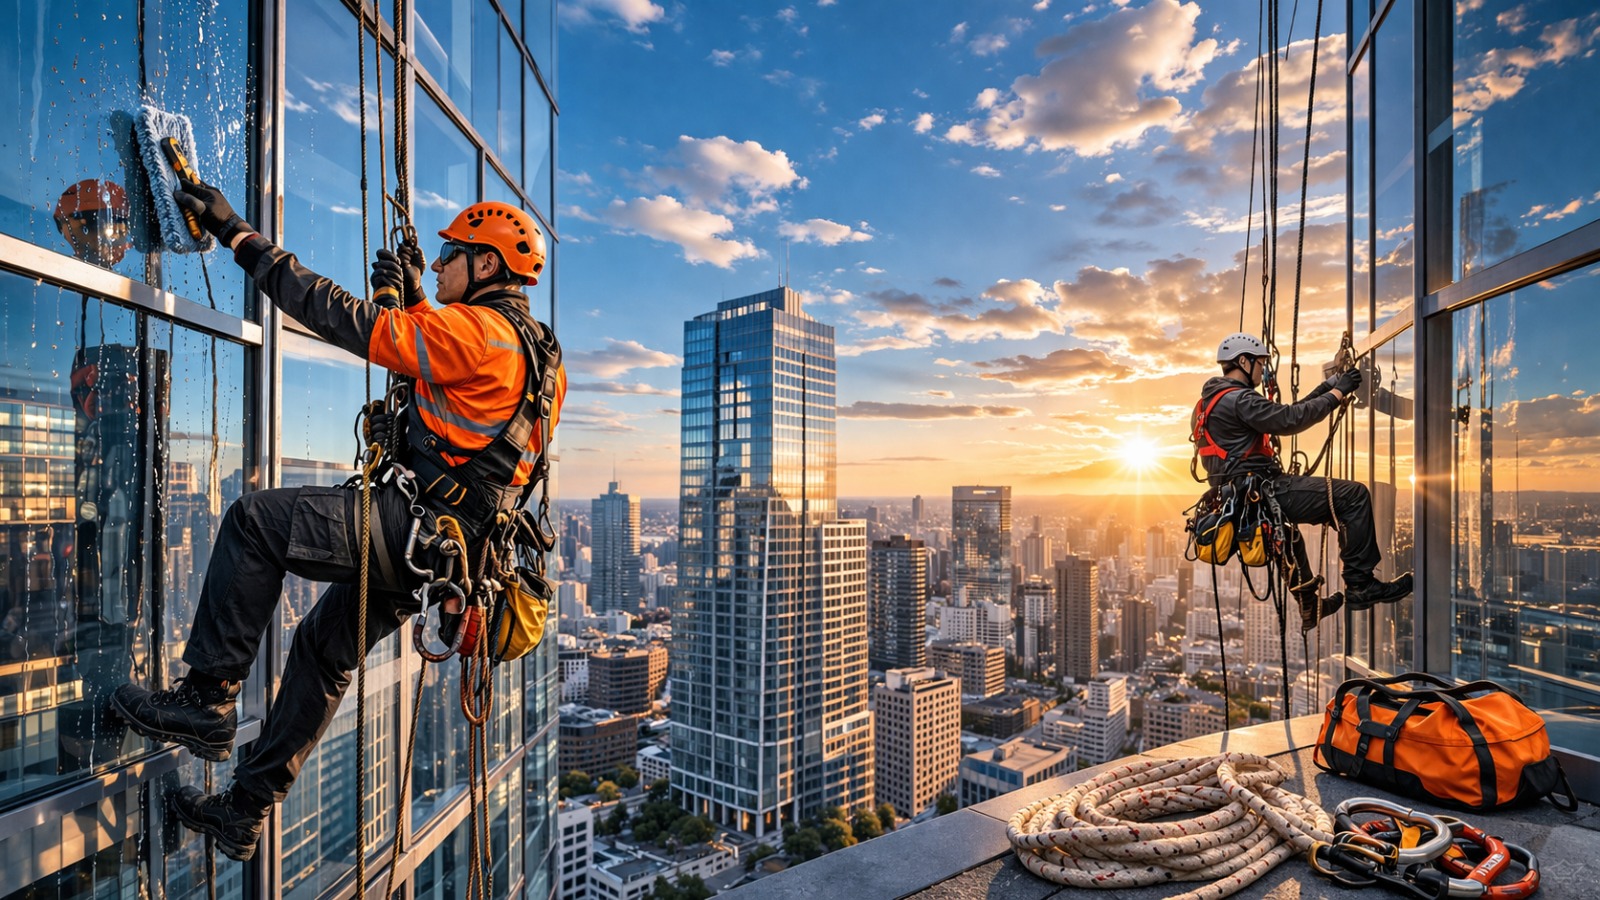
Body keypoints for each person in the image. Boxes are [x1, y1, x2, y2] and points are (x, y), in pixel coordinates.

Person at [109, 175, 565, 862]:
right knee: (323, 651)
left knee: (255, 524)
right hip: (445, 553)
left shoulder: (478, 332)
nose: (437, 265)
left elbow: (343, 318)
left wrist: (240, 235)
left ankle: (206, 698)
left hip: (411, 528)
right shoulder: (535, 352)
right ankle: (245, 810)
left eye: (450, 256)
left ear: (488, 265)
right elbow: (461, 397)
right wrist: (415, 297)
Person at [1193, 333, 1411, 633]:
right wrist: (1336, 395)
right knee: (1353, 496)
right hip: (1260, 490)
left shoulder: (1208, 403)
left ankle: (1310, 606)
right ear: (1243, 361)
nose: (1263, 371)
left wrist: (1329, 387)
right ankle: (1361, 584)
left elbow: (1284, 416)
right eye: (1260, 364)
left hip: (1240, 498)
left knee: (1287, 536)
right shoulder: (1239, 398)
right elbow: (1291, 420)